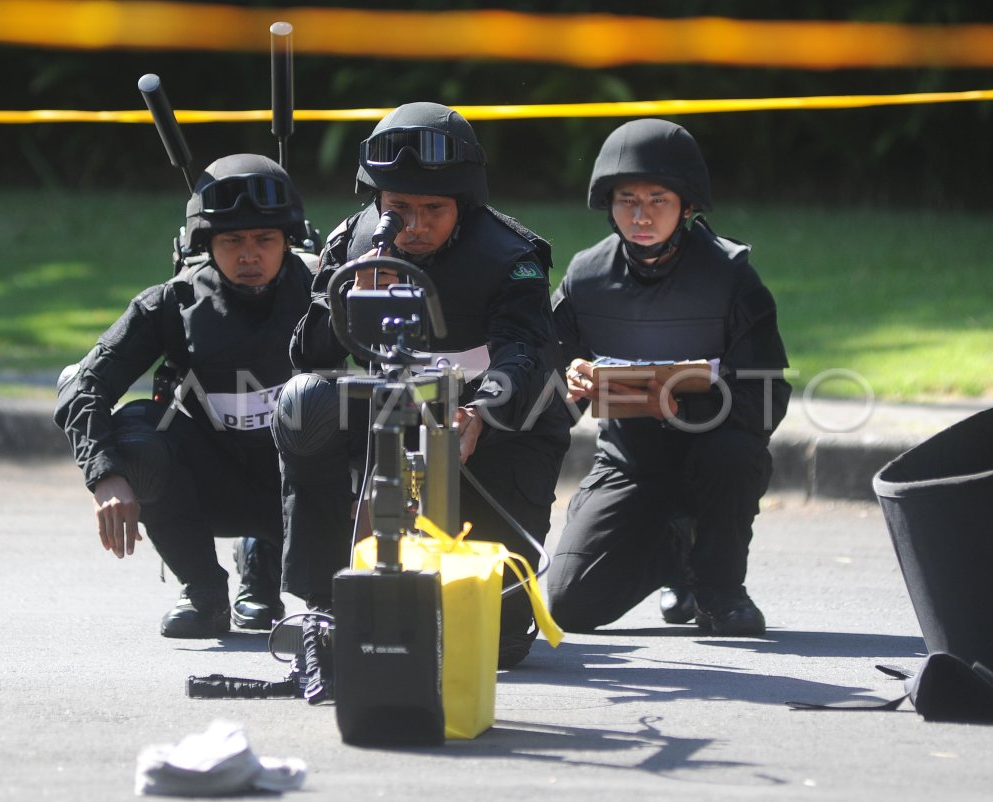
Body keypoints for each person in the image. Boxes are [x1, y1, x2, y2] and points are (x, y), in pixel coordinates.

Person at [272, 101, 571, 668]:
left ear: (464, 204)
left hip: (497, 427)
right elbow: (307, 356)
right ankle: (321, 601)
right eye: (399, 208)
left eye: (434, 209)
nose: (415, 225)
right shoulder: (354, 243)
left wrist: (481, 412)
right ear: (377, 203)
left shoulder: (511, 257)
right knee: (302, 405)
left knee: (495, 644)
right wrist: (346, 289)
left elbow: (527, 354)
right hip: (395, 413)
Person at [545, 119, 791, 636]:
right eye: (627, 199)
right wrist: (568, 389)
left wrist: (679, 408)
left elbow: (768, 397)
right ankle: (674, 556)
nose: (641, 215)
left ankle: (719, 590)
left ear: (687, 206)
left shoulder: (731, 277)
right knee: (571, 606)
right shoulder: (585, 277)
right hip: (630, 464)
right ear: (608, 206)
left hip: (714, 456)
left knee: (734, 455)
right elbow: (544, 382)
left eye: (658, 199)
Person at [54, 153, 316, 638]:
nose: (249, 255)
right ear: (207, 245)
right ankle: (203, 592)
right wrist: (105, 476)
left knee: (356, 421)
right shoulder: (172, 304)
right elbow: (82, 384)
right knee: (138, 439)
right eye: (231, 240)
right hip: (209, 482)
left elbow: (393, 375)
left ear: (288, 241)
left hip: (304, 486)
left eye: (265, 239)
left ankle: (293, 583)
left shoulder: (326, 294)